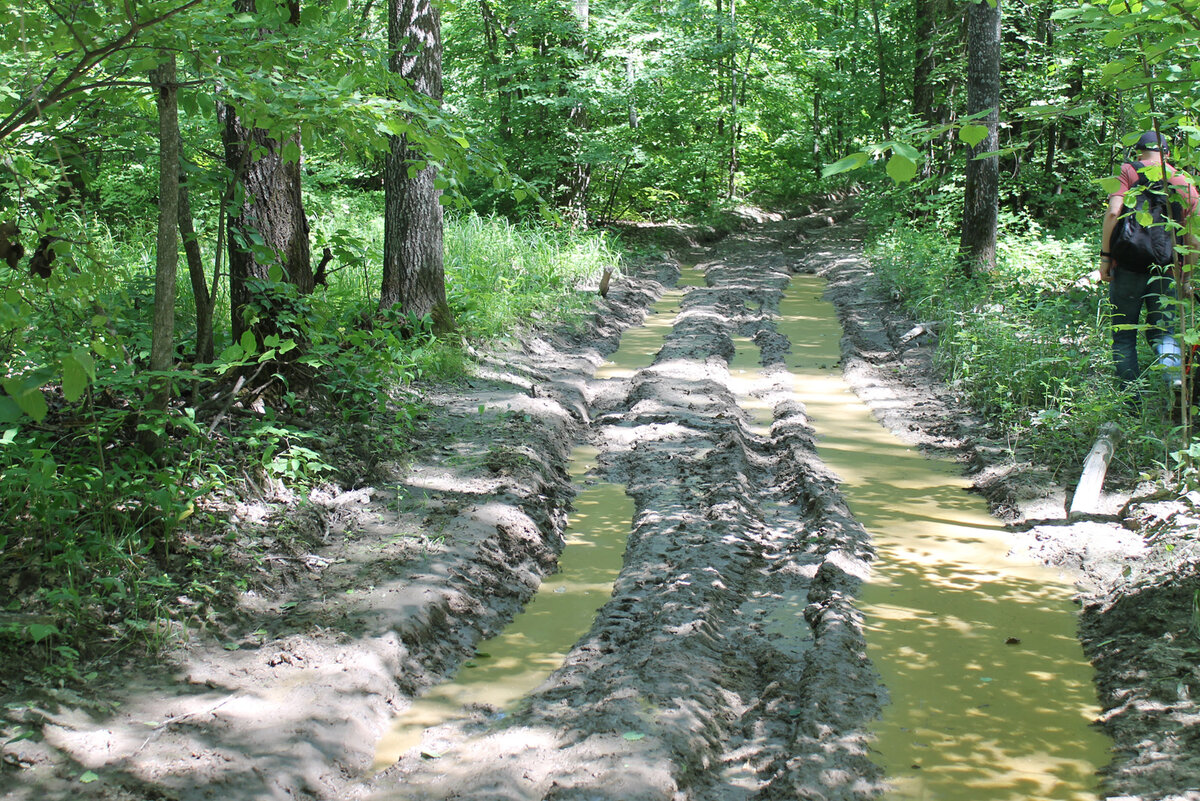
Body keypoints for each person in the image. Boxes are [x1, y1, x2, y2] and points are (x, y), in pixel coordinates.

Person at [1099, 130, 1198, 404]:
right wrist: (1187, 277)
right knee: (1164, 333)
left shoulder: (1128, 171)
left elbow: (1113, 212)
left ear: (1139, 152)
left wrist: (1105, 257)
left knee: (1124, 335)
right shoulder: (1181, 180)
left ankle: (1132, 404)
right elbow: (1194, 236)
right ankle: (1174, 380)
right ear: (1167, 152)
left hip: (1128, 265)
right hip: (1167, 268)